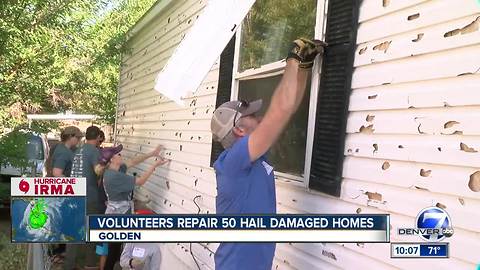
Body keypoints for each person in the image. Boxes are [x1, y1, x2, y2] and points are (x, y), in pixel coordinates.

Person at [210, 38, 326, 270]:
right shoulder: (233, 162)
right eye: (252, 115)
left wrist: (302, 68)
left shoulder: (252, 159)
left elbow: (287, 108)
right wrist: (291, 59)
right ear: (239, 130)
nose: (259, 117)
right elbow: (280, 111)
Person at [98, 144, 169, 270]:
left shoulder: (113, 171)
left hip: (114, 215)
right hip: (117, 218)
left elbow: (132, 161)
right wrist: (154, 165)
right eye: (118, 154)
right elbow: (140, 182)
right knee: (113, 253)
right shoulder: (115, 176)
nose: (121, 155)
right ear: (112, 160)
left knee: (115, 251)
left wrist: (152, 153)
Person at [64, 125, 104, 270]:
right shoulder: (93, 151)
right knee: (90, 231)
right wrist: (105, 162)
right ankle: (90, 264)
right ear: (99, 137)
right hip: (88, 196)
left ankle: (68, 265)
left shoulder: (78, 149)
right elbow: (97, 171)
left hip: (74, 194)